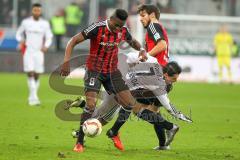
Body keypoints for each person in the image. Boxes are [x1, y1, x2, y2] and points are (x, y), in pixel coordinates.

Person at [60, 8, 150, 153]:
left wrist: (141, 50)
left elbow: (132, 41)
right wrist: (66, 62)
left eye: (121, 26)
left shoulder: (123, 30)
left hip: (112, 72)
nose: (118, 29)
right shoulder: (97, 28)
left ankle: (114, 132)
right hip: (94, 71)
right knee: (90, 105)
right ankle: (79, 142)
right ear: (111, 19)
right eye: (116, 25)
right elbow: (73, 41)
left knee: (129, 104)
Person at [68, 53, 192, 150]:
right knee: (103, 116)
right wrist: (179, 115)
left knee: (127, 109)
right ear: (165, 74)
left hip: (119, 80)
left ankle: (91, 129)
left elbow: (131, 56)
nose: (175, 81)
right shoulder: (159, 85)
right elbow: (168, 106)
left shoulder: (153, 61)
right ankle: (86, 134)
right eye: (173, 78)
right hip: (118, 86)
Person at [107, 4, 171, 150]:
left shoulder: (153, 26)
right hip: (160, 76)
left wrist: (145, 56)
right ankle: (163, 144)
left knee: (130, 101)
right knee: (153, 110)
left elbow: (162, 45)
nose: (140, 19)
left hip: (153, 73)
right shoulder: (155, 28)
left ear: (152, 15)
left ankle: (113, 130)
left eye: (143, 15)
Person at [16, 3, 53, 106]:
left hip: (39, 52)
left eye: (38, 10)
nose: (37, 12)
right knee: (30, 73)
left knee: (37, 74)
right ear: (32, 11)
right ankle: (34, 98)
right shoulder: (26, 22)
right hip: (29, 51)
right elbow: (18, 33)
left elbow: (49, 36)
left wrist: (46, 45)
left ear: (40, 12)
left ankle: (32, 96)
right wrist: (21, 40)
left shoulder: (45, 24)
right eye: (35, 10)